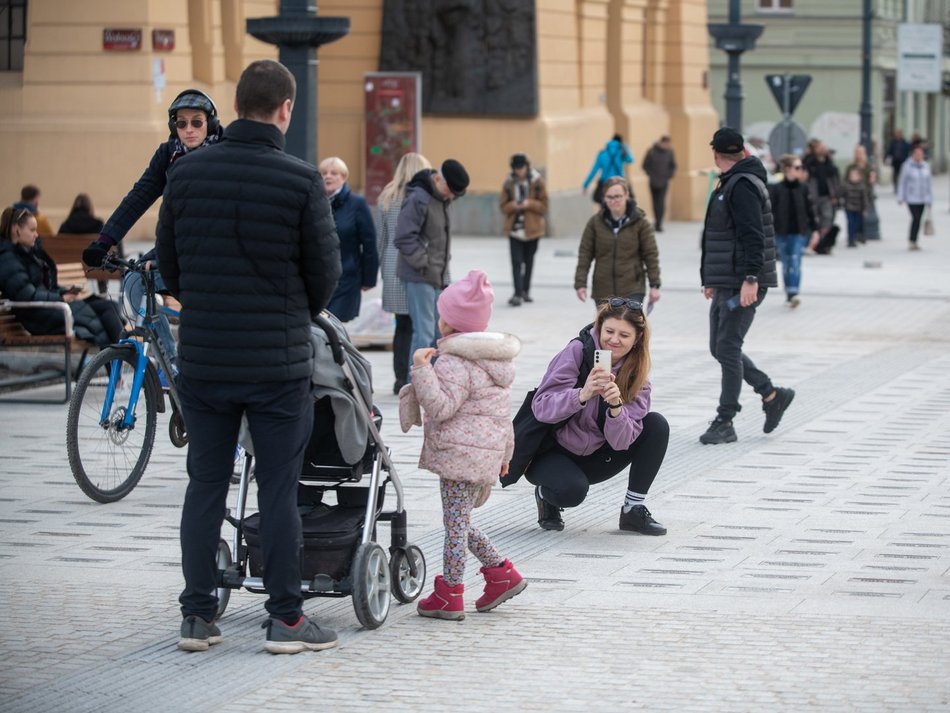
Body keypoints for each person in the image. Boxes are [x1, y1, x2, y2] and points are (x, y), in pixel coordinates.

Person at [155, 59, 342, 655]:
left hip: (206, 360)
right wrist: (288, 309)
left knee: (204, 484)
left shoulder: (185, 176)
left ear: (234, 106)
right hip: (276, 365)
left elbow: (171, 268)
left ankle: (196, 616)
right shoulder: (300, 180)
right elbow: (325, 279)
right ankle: (285, 619)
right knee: (279, 489)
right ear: (286, 108)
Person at [398, 270, 526, 619]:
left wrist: (421, 370)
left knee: (455, 526)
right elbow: (501, 416)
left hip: (459, 455)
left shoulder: (455, 362)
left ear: (449, 324)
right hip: (482, 455)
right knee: (460, 521)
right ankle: (501, 574)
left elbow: (440, 407)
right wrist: (505, 455)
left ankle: (451, 593)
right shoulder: (496, 361)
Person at [82, 88, 224, 371]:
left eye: (197, 122)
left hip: (214, 253)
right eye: (181, 123)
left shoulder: (226, 150)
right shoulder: (168, 154)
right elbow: (139, 197)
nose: (189, 129)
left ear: (210, 122)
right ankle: (171, 364)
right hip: (175, 248)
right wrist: (104, 241)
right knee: (134, 281)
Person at [521, 299, 669, 534]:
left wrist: (615, 408)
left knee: (656, 425)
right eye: (609, 331)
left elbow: (622, 443)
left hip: (598, 455)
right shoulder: (577, 352)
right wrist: (582, 394)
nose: (613, 340)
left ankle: (633, 509)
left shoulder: (637, 375)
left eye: (624, 335)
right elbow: (542, 408)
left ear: (637, 339)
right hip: (553, 451)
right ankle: (545, 494)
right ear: (599, 327)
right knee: (571, 492)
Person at [699, 127, 794, 445]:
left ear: (715, 154)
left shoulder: (741, 186)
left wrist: (751, 278)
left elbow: (754, 235)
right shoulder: (733, 182)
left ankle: (725, 420)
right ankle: (771, 394)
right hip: (729, 280)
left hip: (744, 281)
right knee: (720, 347)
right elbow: (724, 235)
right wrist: (712, 279)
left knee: (727, 348)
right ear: (741, 152)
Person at [0, 206, 123, 348]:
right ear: (17, 230)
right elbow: (28, 295)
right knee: (101, 314)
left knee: (108, 307)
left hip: (49, 309)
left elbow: (44, 287)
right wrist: (61, 298)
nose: (37, 235)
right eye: (32, 230)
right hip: (40, 317)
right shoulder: (8, 260)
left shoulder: (28, 253)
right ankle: (120, 359)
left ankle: (119, 359)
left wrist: (64, 293)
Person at [394, 158, 470, 362]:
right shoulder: (419, 198)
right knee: (424, 334)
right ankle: (416, 387)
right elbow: (403, 236)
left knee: (439, 334)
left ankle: (437, 386)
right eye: (451, 191)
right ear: (438, 179)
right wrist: (424, 262)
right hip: (419, 275)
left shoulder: (442, 199)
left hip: (436, 275)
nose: (452, 197)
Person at [375, 152, 432, 394]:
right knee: (422, 324)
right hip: (417, 264)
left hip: (391, 263)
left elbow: (383, 238)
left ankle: (399, 378)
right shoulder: (426, 197)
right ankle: (415, 373)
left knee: (402, 325)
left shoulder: (388, 196)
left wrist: (382, 269)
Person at [574, 177, 661, 310]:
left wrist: (655, 285)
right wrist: (580, 283)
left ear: (626, 195)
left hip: (633, 288)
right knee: (607, 329)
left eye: (618, 196)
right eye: (609, 197)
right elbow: (585, 254)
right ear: (604, 198)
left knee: (630, 327)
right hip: (603, 289)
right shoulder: (595, 223)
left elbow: (651, 254)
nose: (614, 201)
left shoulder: (640, 222)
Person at [320, 156, 378, 322]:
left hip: (346, 277)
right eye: (324, 173)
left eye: (334, 173)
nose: (328, 176)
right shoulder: (315, 202)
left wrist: (369, 278)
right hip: (318, 276)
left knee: (334, 325)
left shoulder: (356, 204)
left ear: (343, 177)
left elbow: (369, 243)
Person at [767, 154, 819, 308]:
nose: (800, 170)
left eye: (801, 167)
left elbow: (810, 209)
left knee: (795, 261)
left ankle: (794, 292)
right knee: (786, 263)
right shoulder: (777, 188)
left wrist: (815, 230)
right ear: (788, 169)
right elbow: (770, 211)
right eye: (797, 167)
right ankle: (789, 293)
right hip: (781, 232)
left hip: (798, 232)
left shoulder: (803, 188)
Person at [499, 152, 548, 306]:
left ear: (527, 167)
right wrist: (513, 205)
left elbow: (544, 206)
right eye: (516, 169)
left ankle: (525, 291)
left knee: (528, 261)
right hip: (515, 229)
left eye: (521, 168)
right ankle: (517, 293)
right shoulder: (508, 182)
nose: (519, 171)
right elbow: (502, 206)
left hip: (533, 229)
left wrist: (529, 204)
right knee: (516, 262)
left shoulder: (537, 181)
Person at [896, 142, 933, 251]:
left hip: (923, 198)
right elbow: (902, 182)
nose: (918, 155)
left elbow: (929, 183)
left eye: (920, 154)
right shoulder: (907, 166)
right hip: (911, 198)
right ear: (913, 154)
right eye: (917, 153)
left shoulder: (925, 166)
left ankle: (914, 241)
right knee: (915, 218)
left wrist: (930, 199)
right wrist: (900, 197)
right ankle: (912, 240)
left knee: (918, 219)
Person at [802, 139, 840, 239]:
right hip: (813, 196)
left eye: (824, 147)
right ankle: (814, 240)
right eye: (820, 147)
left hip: (827, 196)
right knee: (814, 219)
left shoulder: (829, 164)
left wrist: (836, 196)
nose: (823, 149)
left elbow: (835, 181)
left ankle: (823, 240)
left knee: (827, 218)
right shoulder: (809, 163)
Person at [582, 133, 633, 203]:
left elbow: (593, 171)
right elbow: (630, 160)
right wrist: (625, 147)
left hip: (605, 185)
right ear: (620, 142)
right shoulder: (621, 152)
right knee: (619, 205)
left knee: (606, 207)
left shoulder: (602, 154)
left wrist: (585, 185)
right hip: (619, 184)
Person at [641, 135, 677, 232]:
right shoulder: (651, 151)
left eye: (669, 144)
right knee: (655, 202)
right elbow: (644, 165)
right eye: (666, 143)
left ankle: (659, 224)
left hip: (664, 181)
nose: (667, 145)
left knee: (661, 202)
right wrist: (650, 174)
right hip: (653, 181)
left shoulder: (670, 152)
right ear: (661, 142)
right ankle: (657, 221)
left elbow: (673, 166)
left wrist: (669, 175)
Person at [841, 166, 868, 248]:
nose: (854, 177)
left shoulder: (862, 186)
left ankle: (855, 237)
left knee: (856, 223)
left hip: (858, 208)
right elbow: (842, 196)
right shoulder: (846, 186)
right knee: (850, 223)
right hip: (849, 208)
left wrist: (865, 208)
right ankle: (850, 239)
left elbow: (864, 198)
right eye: (852, 175)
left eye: (855, 175)